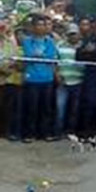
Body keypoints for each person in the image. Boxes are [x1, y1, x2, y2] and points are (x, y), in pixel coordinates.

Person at [21, 15, 58, 143]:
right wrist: (40, 56)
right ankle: (30, 133)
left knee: (46, 108)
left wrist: (39, 56)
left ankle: (45, 133)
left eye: (43, 25)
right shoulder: (27, 41)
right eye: (38, 25)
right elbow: (29, 55)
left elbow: (51, 57)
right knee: (32, 108)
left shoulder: (50, 41)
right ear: (33, 27)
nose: (41, 27)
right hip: (32, 79)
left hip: (47, 79)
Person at [55, 23, 84, 138]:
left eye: (75, 34)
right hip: (63, 81)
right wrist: (57, 74)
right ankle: (58, 131)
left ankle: (70, 131)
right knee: (60, 108)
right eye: (70, 34)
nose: (73, 36)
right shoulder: (60, 45)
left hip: (78, 81)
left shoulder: (83, 46)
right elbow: (55, 62)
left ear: (79, 35)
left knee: (74, 109)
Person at [0, 18, 21, 141]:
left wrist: (9, 68)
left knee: (7, 107)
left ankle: (6, 131)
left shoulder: (10, 43)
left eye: (3, 28)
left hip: (8, 79)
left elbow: (15, 58)